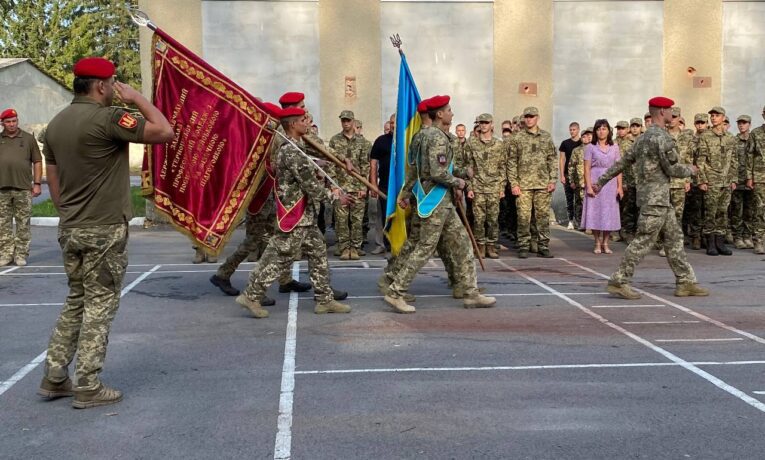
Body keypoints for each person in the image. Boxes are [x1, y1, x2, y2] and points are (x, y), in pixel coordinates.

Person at [38, 57, 174, 408]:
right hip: (104, 228)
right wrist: (138, 99)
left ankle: (54, 376)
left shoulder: (55, 124)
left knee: (76, 300)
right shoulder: (110, 117)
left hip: (71, 227)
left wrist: (68, 211)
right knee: (100, 304)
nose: (116, 88)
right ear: (101, 86)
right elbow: (165, 131)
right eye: (114, 83)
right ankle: (88, 384)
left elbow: (53, 180)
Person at [236, 106, 355, 318]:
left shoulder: (298, 146)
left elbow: (315, 158)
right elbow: (311, 186)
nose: (307, 122)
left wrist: (331, 161)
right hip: (295, 215)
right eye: (303, 119)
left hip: (304, 216)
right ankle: (251, 295)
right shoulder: (291, 151)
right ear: (293, 124)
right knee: (279, 257)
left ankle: (324, 299)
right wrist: (337, 197)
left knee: (318, 253)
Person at [383, 95, 495, 313]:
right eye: (449, 110)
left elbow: (415, 168)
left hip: (436, 200)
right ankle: (396, 291)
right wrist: (459, 181)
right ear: (440, 114)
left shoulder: (421, 136)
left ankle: (470, 293)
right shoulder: (438, 138)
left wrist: (406, 192)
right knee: (424, 248)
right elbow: (437, 172)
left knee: (462, 244)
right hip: (435, 201)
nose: (452, 113)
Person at [593, 96, 708, 300]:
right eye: (671, 110)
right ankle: (619, 280)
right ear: (662, 112)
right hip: (657, 200)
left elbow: (623, 162)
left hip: (656, 199)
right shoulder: (662, 138)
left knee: (674, 240)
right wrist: (690, 169)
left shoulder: (642, 139)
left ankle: (685, 282)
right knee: (643, 241)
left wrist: (601, 181)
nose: (674, 114)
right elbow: (671, 167)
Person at [209, 93, 315, 301]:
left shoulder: (280, 128)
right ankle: (225, 274)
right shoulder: (273, 130)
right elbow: (273, 163)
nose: (305, 111)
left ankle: (283, 280)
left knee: (278, 237)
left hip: (271, 191)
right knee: (256, 240)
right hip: (261, 192)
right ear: (291, 109)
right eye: (301, 107)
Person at [506, 106, 557, 258]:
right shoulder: (517, 138)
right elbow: (511, 162)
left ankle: (543, 246)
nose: (529, 119)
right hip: (524, 185)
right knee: (523, 217)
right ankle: (523, 246)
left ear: (537, 118)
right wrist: (514, 184)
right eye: (527, 116)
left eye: (532, 116)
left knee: (542, 217)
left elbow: (552, 160)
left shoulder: (546, 137)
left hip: (542, 184)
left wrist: (552, 180)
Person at [0, 108, 42, 266]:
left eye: (14, 121)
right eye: (8, 121)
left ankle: (21, 254)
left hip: (23, 188)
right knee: (2, 223)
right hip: (2, 188)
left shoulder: (27, 138)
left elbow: (37, 161)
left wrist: (37, 184)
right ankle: (5, 254)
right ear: (2, 123)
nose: (12, 124)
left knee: (23, 222)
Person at [329, 110, 370, 260]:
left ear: (353, 121)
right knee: (341, 221)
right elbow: (331, 163)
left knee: (357, 220)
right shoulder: (335, 140)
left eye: (348, 120)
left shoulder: (363, 143)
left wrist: (364, 187)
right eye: (343, 121)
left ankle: (356, 247)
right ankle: (344, 247)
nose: (345, 123)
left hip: (357, 186)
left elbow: (365, 166)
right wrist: (334, 186)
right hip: (341, 187)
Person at [696, 107, 737, 256]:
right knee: (710, 212)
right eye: (712, 116)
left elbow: (734, 160)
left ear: (723, 117)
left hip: (726, 180)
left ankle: (720, 242)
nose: (713, 118)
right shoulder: (705, 136)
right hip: (711, 180)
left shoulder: (730, 138)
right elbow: (700, 160)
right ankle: (710, 242)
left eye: (717, 115)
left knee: (723, 211)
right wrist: (702, 180)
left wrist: (734, 179)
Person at [466, 113, 507, 258]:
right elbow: (468, 167)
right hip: (478, 187)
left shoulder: (499, 144)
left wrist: (502, 188)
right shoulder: (471, 143)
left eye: (486, 123)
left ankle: (491, 246)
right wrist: (469, 188)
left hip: (494, 187)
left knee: (493, 219)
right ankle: (480, 247)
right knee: (478, 220)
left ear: (491, 124)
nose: (483, 125)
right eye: (481, 123)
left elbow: (503, 167)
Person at [582, 119, 622, 254]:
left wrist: (619, 186)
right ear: (595, 131)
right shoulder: (590, 147)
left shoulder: (615, 147)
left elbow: (618, 168)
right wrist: (588, 186)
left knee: (608, 213)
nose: (601, 131)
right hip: (595, 181)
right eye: (598, 129)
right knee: (596, 212)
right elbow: (586, 168)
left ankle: (606, 242)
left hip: (610, 183)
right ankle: (597, 242)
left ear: (609, 131)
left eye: (604, 128)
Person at [660, 107, 695, 257]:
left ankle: (676, 244)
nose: (672, 119)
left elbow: (689, 160)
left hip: (680, 182)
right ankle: (665, 244)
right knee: (664, 214)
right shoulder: (662, 136)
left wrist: (687, 180)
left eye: (675, 117)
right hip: (664, 181)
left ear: (680, 118)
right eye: (671, 116)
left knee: (678, 214)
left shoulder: (686, 137)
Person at [369, 113, 395, 255]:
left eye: (396, 122)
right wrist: (374, 184)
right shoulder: (381, 141)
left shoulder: (406, 140)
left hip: (402, 186)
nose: (393, 125)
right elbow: (373, 163)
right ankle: (385, 245)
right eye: (391, 122)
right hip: (385, 186)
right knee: (385, 216)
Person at [685, 113, 709, 249]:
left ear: (707, 124)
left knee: (708, 209)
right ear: (695, 124)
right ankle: (696, 236)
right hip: (694, 179)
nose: (700, 125)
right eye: (698, 122)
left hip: (708, 178)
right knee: (695, 209)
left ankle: (706, 235)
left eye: (703, 122)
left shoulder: (710, 138)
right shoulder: (691, 140)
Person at [731, 114, 754, 249]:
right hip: (738, 180)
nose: (741, 125)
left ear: (749, 124)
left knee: (750, 210)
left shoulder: (754, 139)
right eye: (739, 123)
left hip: (751, 180)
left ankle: (747, 235)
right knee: (737, 211)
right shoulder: (734, 140)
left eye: (744, 123)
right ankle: (738, 237)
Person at [746, 104, 765, 254]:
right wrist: (749, 177)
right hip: (760, 177)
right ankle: (758, 240)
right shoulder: (756, 133)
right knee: (759, 209)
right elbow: (749, 156)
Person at [568, 127, 593, 229]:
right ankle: (580, 223)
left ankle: (589, 225)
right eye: (583, 136)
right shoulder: (577, 150)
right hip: (580, 182)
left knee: (589, 203)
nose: (586, 138)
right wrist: (572, 180)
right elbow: (571, 166)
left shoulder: (595, 148)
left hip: (592, 181)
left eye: (588, 135)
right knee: (579, 203)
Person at [558, 122, 582, 229]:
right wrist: (562, 175)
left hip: (580, 176)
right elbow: (562, 159)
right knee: (569, 198)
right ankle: (571, 220)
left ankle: (579, 220)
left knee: (579, 199)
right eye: (570, 130)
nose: (572, 131)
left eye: (574, 129)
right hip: (568, 175)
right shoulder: (565, 143)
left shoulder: (582, 143)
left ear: (578, 130)